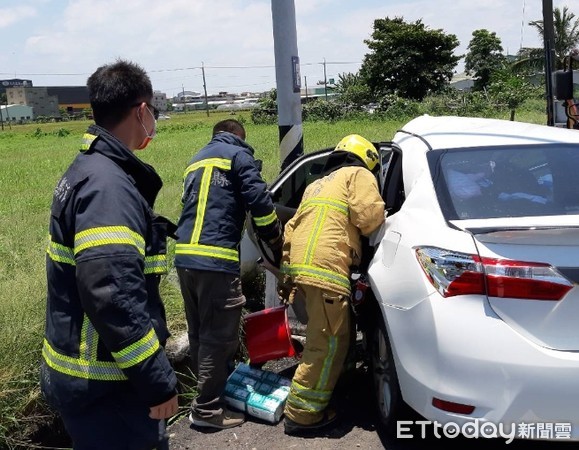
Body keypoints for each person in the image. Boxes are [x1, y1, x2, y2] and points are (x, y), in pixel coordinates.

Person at [40, 59, 179, 450]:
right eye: (154, 111)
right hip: (108, 386)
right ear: (141, 110)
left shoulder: (88, 170)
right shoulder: (108, 188)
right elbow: (112, 295)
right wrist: (157, 381)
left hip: (92, 383)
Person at [174, 119, 283, 430]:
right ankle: (208, 411)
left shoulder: (195, 160)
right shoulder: (238, 156)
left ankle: (213, 391)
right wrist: (274, 236)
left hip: (185, 259)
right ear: (238, 135)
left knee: (199, 333)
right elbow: (259, 201)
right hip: (215, 261)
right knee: (220, 337)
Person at [278, 134, 385, 435]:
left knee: (334, 336)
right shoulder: (358, 174)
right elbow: (370, 218)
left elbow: (290, 228)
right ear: (367, 160)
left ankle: (338, 383)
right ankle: (302, 415)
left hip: (303, 271)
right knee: (325, 345)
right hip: (327, 270)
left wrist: (287, 277)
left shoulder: (317, 184)